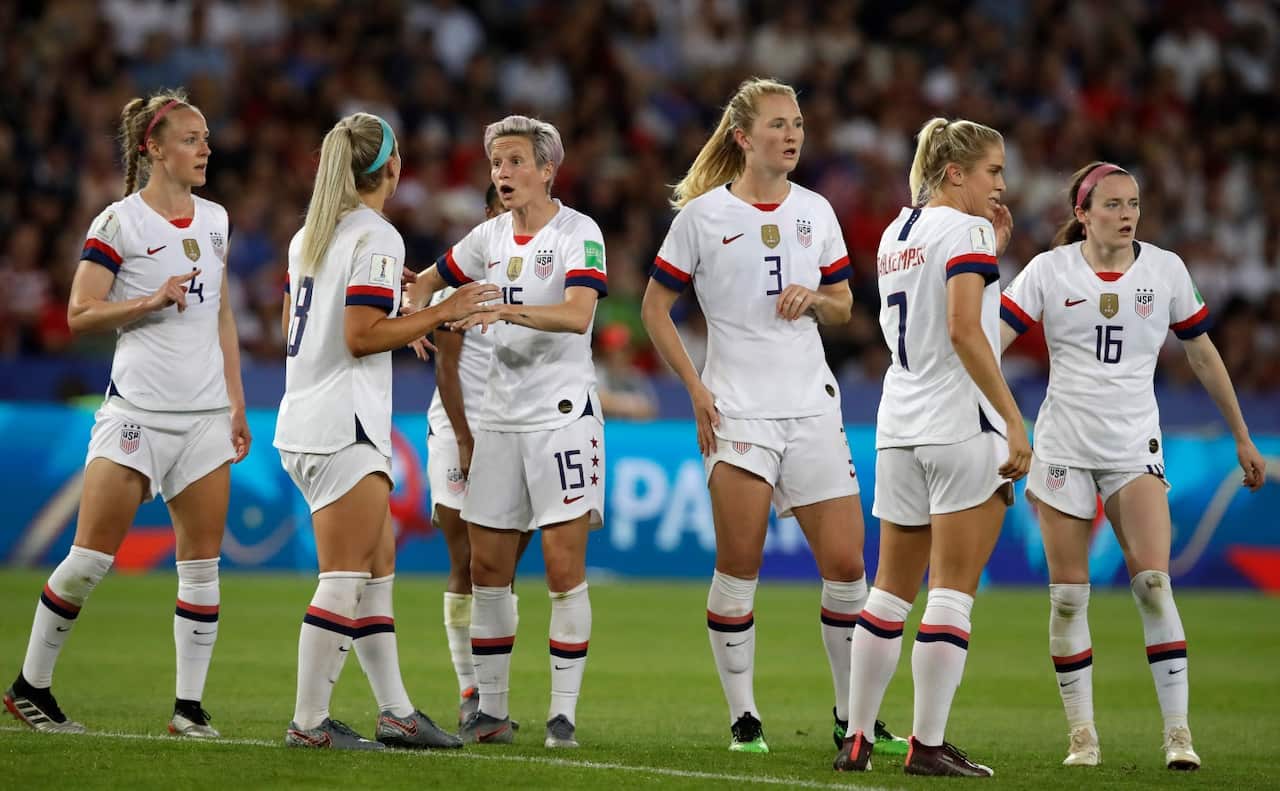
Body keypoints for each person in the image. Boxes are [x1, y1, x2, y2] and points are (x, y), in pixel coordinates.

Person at [640, 77, 906, 756]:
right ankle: (745, 715)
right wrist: (697, 389)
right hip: (738, 411)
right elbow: (653, 308)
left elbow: (848, 303)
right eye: (778, 125)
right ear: (742, 137)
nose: (792, 135)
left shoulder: (816, 210)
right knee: (740, 562)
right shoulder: (700, 218)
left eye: (798, 125)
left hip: (812, 406)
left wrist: (815, 297)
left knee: (849, 567)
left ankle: (853, 716)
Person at [999, 162, 1267, 771]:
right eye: (1114, 204)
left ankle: (1178, 734)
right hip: (1062, 446)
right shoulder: (1048, 271)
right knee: (1068, 598)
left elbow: (1202, 354)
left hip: (1133, 447)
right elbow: (986, 342)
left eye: (1134, 204)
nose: (1127, 215)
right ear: (1083, 213)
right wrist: (998, 428)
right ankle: (1082, 737)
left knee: (1153, 582)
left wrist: (1242, 436)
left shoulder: (1166, 269)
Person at [3, 90, 250, 738]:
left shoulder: (217, 220)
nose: (206, 148)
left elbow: (220, 311)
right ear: (154, 148)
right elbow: (81, 311)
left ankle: (188, 709)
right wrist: (146, 301)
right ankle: (30, 687)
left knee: (201, 566)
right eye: (192, 138)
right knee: (89, 560)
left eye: (205, 137)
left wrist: (237, 401)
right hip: (137, 411)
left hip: (203, 416)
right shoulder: (118, 224)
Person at [274, 111, 496, 750]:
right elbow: (359, 334)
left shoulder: (311, 236)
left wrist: (404, 314)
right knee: (344, 577)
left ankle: (395, 711)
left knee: (374, 569)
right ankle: (309, 723)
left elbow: (316, 319)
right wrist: (439, 312)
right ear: (391, 167)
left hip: (309, 414)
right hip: (343, 423)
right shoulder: (378, 236)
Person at [835, 117, 1031, 777]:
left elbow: (943, 315)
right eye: (993, 171)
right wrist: (1013, 418)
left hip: (898, 423)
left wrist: (992, 251)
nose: (1001, 184)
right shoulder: (967, 229)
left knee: (890, 587)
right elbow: (965, 332)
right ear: (955, 172)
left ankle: (857, 736)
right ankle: (926, 744)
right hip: (959, 424)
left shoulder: (899, 231)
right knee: (951, 589)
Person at [407, 114, 607, 750]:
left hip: (561, 416)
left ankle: (562, 716)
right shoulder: (486, 237)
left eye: (516, 161)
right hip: (495, 420)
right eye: (496, 163)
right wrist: (417, 314)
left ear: (548, 169)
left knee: (560, 564)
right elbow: (427, 282)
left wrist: (499, 309)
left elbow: (578, 315)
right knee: (487, 565)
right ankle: (489, 711)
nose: (503, 173)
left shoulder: (581, 233)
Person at [426, 182, 533, 726]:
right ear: (487, 217)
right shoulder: (464, 279)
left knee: (505, 570)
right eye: (501, 208)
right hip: (459, 428)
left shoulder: (539, 275)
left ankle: (494, 699)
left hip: (520, 427)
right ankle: (470, 693)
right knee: (467, 560)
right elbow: (447, 367)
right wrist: (465, 438)